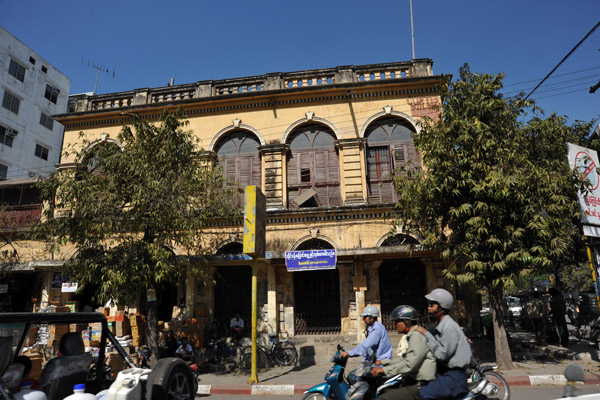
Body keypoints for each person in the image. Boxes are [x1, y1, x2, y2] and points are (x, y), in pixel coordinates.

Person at [414, 288, 472, 400]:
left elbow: (442, 354)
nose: (428, 307)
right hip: (444, 374)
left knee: (425, 394)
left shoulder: (449, 327)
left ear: (441, 308)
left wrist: (426, 334)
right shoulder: (441, 326)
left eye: (432, 305)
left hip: (454, 377)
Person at [369, 305, 436, 400]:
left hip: (420, 385)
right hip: (411, 380)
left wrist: (384, 370)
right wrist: (383, 363)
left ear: (407, 321)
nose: (395, 325)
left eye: (397, 322)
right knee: (383, 390)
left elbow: (410, 364)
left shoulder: (417, 335)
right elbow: (404, 358)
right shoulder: (412, 335)